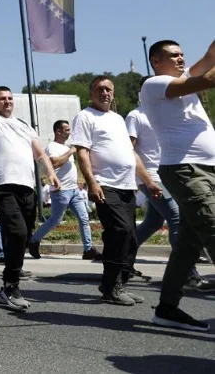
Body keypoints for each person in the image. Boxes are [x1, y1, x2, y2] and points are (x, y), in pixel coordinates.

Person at [0, 39, 60, 312]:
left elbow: (40, 154)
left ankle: (10, 280)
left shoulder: (23, 125)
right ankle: (10, 286)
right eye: (2, 99)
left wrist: (50, 175)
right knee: (17, 231)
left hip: (27, 188)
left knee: (21, 236)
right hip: (2, 185)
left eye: (11, 98)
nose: (8, 102)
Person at [141, 39, 215, 331]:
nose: (181, 59)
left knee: (188, 245)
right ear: (157, 62)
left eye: (183, 54)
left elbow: (210, 56)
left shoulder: (182, 79)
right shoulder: (155, 84)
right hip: (185, 170)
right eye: (173, 56)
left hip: (207, 170)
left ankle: (167, 308)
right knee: (213, 228)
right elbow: (208, 78)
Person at [72, 76, 155, 306]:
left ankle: (118, 283)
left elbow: (132, 154)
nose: (105, 93)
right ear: (91, 93)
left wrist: (148, 181)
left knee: (130, 238)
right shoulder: (85, 116)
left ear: (113, 93)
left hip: (127, 185)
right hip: (105, 185)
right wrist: (92, 182)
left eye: (108, 89)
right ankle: (112, 286)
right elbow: (82, 152)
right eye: (100, 89)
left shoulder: (118, 119)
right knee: (121, 230)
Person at [126, 96, 211, 291]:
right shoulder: (135, 116)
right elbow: (129, 149)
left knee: (153, 223)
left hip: (167, 174)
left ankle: (122, 260)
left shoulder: (162, 115)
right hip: (150, 177)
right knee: (175, 217)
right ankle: (189, 274)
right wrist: (146, 180)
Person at [28, 120, 100, 261]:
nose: (70, 132)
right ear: (58, 131)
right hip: (61, 191)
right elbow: (55, 163)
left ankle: (88, 249)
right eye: (67, 129)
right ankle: (33, 240)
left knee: (84, 218)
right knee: (55, 220)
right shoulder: (52, 147)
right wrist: (71, 151)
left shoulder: (65, 147)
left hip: (74, 190)